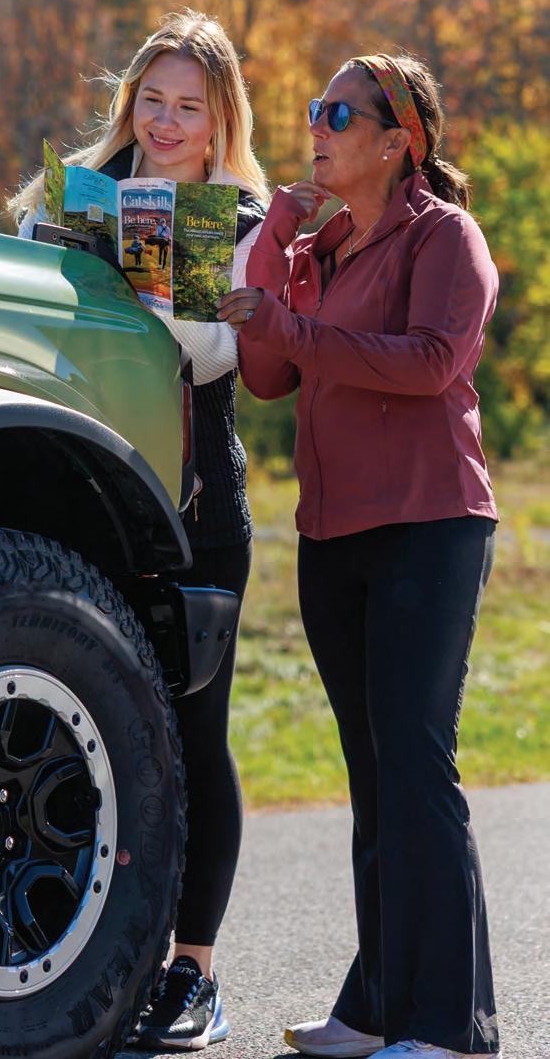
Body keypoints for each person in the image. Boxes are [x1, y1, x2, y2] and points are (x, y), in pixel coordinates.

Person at [220, 53, 501, 1059]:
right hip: (332, 533)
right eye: (314, 108)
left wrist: (291, 324)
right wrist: (273, 244)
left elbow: (431, 362)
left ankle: (450, 1024)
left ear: (396, 141)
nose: (316, 124)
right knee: (373, 769)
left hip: (429, 523)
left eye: (338, 113)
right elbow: (264, 374)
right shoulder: (317, 245)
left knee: (416, 764)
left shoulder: (445, 237)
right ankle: (378, 1005)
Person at [10, 9, 269, 1051]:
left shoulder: (245, 221)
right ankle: (70, 954)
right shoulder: (70, 194)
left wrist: (149, 269)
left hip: (195, 508)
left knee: (192, 739)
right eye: (151, 100)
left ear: (218, 121)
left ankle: (191, 972)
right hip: (73, 499)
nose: (165, 122)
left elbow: (212, 358)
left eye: (187, 108)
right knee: (74, 728)